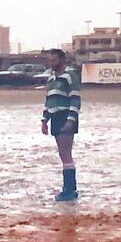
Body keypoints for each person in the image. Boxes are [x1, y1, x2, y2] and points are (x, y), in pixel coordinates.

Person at [41, 49, 81, 201]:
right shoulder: (51, 79)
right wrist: (44, 120)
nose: (51, 63)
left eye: (54, 60)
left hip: (66, 115)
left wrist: (71, 120)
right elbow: (48, 100)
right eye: (50, 60)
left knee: (66, 153)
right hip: (55, 116)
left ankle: (70, 189)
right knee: (62, 154)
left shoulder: (70, 76)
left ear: (62, 60)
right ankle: (68, 188)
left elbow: (76, 99)